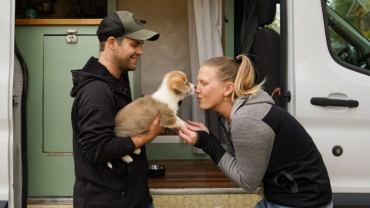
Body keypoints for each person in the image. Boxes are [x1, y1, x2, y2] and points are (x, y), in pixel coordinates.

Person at [178, 54, 333, 208]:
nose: (196, 89)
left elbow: (247, 182)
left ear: (228, 89)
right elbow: (240, 164)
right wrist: (207, 137)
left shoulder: (247, 119)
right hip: (283, 196)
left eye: (204, 83)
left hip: (301, 202)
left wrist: (207, 142)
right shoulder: (238, 114)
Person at [70, 11, 163, 208]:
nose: (140, 51)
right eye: (134, 44)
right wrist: (148, 136)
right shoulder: (96, 91)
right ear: (112, 43)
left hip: (132, 198)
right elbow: (96, 150)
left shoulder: (118, 81)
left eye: (141, 45)